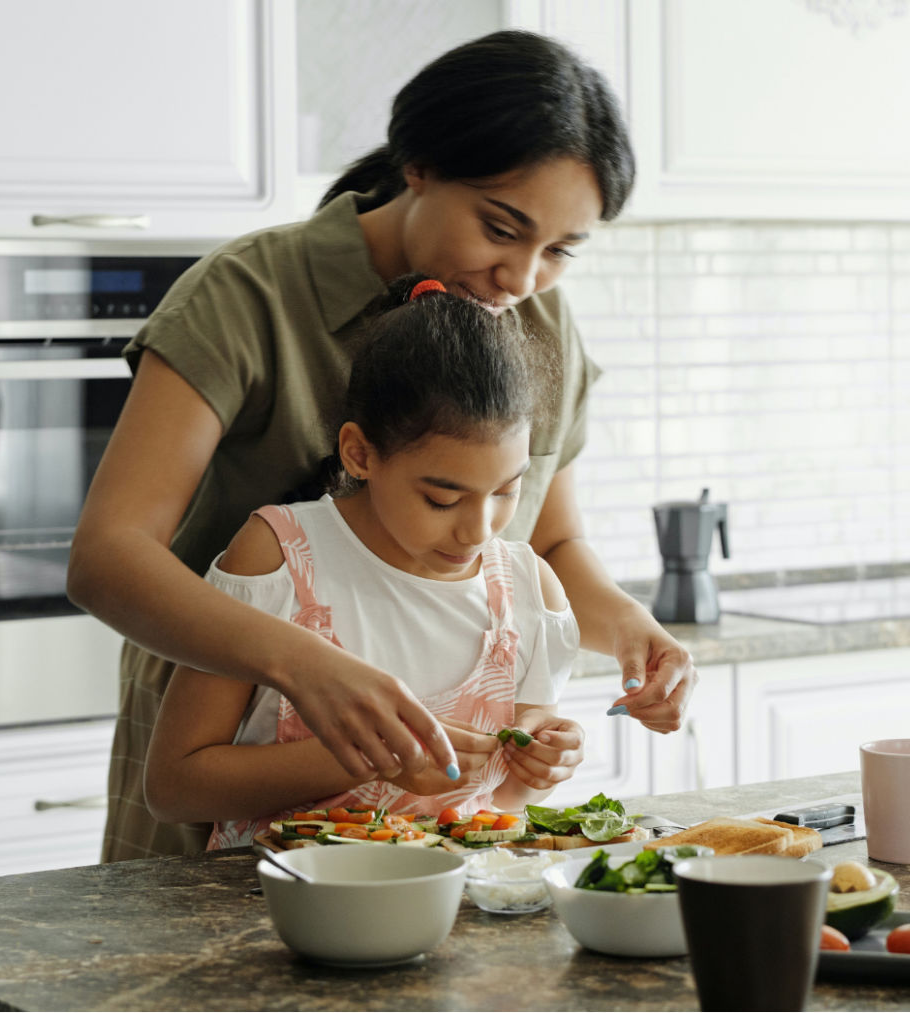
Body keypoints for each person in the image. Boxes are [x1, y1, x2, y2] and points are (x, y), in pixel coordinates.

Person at [68, 29, 697, 860]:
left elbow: (546, 540)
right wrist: (305, 665)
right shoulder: (247, 294)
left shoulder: (536, 320)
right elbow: (107, 556)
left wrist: (627, 629)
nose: (522, 277)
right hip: (226, 747)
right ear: (420, 166)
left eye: (558, 252)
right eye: (501, 228)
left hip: (429, 825)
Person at [145, 276, 585, 846]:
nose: (479, 529)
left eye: (506, 490)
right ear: (359, 453)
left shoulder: (529, 592)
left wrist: (541, 769)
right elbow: (174, 788)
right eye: (442, 499)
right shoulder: (278, 558)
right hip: (274, 910)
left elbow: (503, 802)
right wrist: (369, 758)